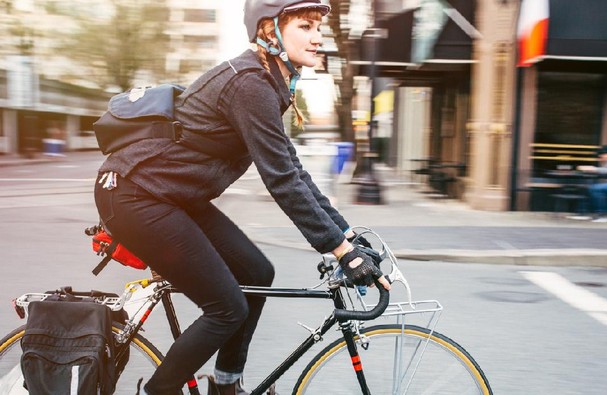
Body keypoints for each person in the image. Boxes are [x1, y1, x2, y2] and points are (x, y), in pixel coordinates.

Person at [93, 1, 391, 394]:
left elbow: (293, 170)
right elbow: (281, 180)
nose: (318, 37)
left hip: (171, 195)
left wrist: (346, 236)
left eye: (319, 27)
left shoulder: (266, 83)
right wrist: (340, 252)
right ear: (270, 31)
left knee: (257, 273)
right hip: (134, 195)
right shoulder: (249, 84)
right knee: (226, 308)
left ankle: (225, 384)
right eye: (305, 26)